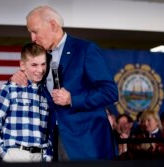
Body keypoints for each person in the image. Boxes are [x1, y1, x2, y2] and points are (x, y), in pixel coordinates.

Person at [10, 6, 119, 161]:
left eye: (35, 31)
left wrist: (72, 99)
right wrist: (19, 81)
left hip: (85, 143)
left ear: (53, 25)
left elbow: (110, 91)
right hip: (51, 142)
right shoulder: (41, 58)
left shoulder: (85, 49)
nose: (32, 38)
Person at [0, 42, 53, 162]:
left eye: (43, 64)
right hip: (16, 155)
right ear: (22, 65)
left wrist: (48, 155)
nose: (40, 69)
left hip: (41, 157)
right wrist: (3, 154)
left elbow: (50, 128)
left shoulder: (47, 92)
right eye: (34, 65)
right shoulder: (10, 89)